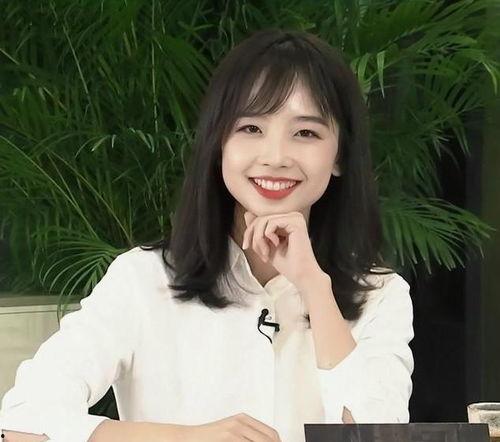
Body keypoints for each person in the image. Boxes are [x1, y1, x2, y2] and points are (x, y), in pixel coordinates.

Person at [0, 28, 414, 442]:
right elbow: (22, 421)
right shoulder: (142, 279)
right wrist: (187, 438)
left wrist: (315, 288)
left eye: (305, 133)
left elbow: (379, 435)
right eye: (251, 128)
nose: (275, 157)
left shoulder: (382, 295)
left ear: (340, 156)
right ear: (219, 143)